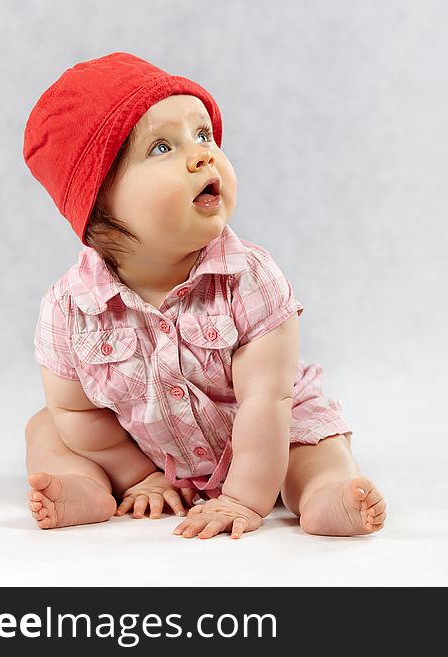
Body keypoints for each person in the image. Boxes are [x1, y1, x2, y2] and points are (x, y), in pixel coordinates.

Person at [21, 52, 386, 539]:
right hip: (151, 446)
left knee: (314, 445)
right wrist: (139, 474)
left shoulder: (249, 277)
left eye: (203, 135)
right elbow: (77, 411)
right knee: (48, 428)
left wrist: (244, 498)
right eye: (161, 148)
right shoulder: (70, 310)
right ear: (96, 205)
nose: (202, 155)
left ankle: (324, 493)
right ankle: (84, 486)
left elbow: (267, 398)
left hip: (268, 431)